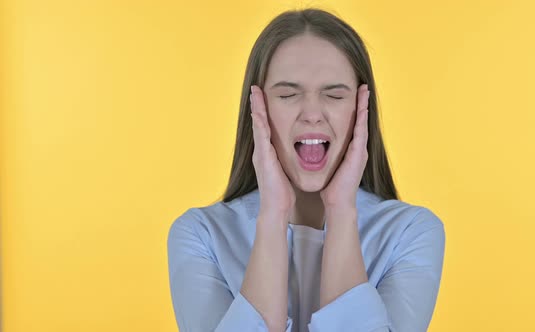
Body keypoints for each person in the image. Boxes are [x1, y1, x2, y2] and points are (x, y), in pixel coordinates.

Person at [167, 8, 445, 332]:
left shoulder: (409, 233)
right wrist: (274, 213)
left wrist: (341, 211)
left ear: (360, 110)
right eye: (288, 94)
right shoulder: (201, 235)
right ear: (257, 109)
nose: (312, 113)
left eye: (334, 94)